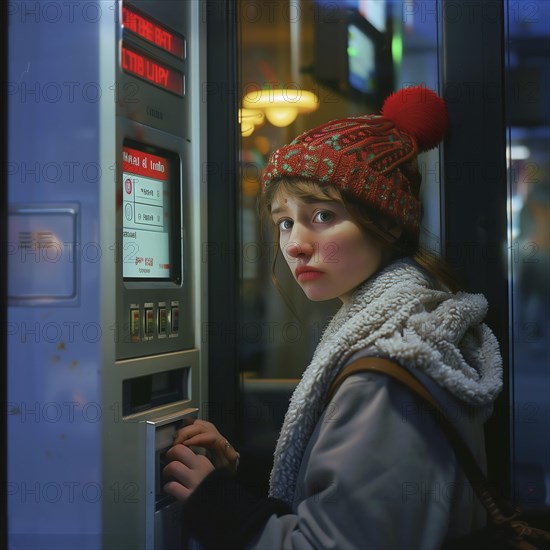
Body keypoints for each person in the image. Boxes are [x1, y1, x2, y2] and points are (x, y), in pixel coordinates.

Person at [162, 85, 504, 549]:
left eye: (322, 215)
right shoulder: (421, 324)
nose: (295, 243)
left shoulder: (387, 368)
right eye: (285, 221)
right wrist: (233, 484)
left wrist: (219, 507)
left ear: (386, 224)